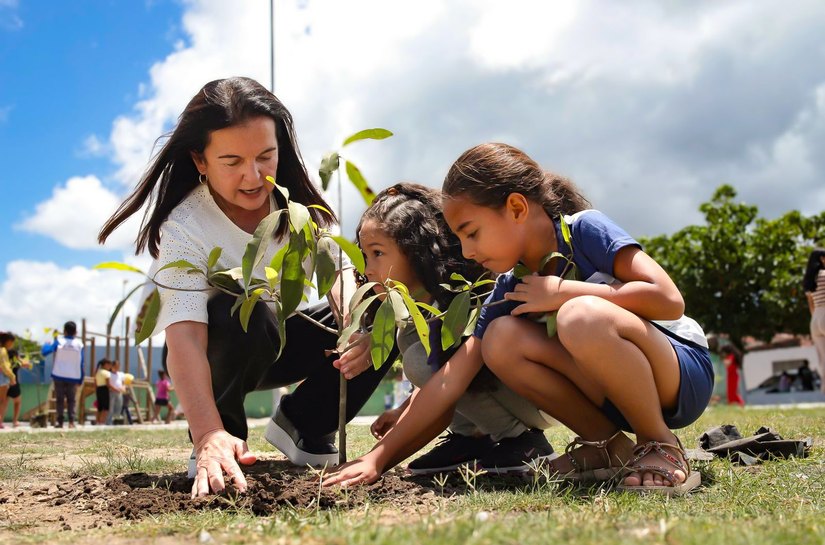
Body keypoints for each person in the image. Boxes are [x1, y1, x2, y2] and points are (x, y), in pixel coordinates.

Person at [325, 143, 713, 496]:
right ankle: (606, 447)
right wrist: (377, 458)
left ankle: (658, 442)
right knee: (500, 339)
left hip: (677, 370)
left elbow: (668, 300)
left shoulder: (584, 230)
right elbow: (449, 381)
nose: (466, 251)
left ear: (516, 208)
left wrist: (565, 293)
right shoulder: (509, 287)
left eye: (471, 232)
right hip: (613, 394)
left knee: (580, 316)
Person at [98, 77, 389, 497]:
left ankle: (306, 425)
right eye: (232, 161)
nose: (253, 177)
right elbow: (185, 340)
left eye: (265, 157)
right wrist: (206, 433)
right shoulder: (184, 227)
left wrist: (357, 325)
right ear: (201, 161)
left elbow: (337, 273)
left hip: (278, 339)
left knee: (382, 309)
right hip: (217, 348)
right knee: (243, 307)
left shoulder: (295, 208)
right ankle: (224, 439)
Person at [337, 183, 554, 475]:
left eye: (378, 253)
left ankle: (520, 440)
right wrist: (402, 411)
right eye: (364, 255)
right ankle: (471, 438)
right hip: (506, 392)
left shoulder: (463, 302)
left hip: (537, 397)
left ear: (414, 251)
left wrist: (377, 459)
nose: (368, 268)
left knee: (419, 359)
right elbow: (443, 378)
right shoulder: (415, 316)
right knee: (414, 346)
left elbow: (448, 379)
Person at [41, 321, 84, 429]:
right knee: (71, 400)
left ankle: (59, 422)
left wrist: (46, 344)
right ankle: (71, 422)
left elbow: (46, 352)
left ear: (64, 331)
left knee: (59, 399)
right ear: (76, 332)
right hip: (74, 376)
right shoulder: (79, 344)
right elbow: (81, 362)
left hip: (59, 374)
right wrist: (81, 378)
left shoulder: (59, 341)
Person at [803, 248, 825, 393]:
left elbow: (811, 305)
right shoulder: (824, 275)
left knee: (823, 359)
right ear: (822, 259)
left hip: (815, 319)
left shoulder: (809, 281)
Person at [5, 349, 32, 427]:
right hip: (13, 383)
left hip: (4, 383)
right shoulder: (16, 362)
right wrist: (21, 359)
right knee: (17, 402)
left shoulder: (5, 362)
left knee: (4, 403)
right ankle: (15, 421)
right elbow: (27, 364)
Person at [0, 332, 16, 429]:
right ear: (8, 341)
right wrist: (12, 377)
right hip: (2, 376)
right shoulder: (3, 351)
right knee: (2, 401)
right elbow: (5, 366)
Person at [105, 360, 127, 425]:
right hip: (111, 392)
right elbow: (108, 384)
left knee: (119, 406)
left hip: (119, 392)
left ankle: (115, 420)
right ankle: (108, 422)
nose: (117, 368)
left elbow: (123, 383)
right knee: (110, 407)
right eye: (115, 366)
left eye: (118, 366)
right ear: (112, 366)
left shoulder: (121, 374)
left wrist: (123, 388)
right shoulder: (109, 374)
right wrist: (115, 389)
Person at [94, 358, 114, 425]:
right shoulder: (107, 373)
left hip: (98, 389)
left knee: (99, 407)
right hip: (105, 390)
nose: (110, 367)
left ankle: (97, 421)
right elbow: (108, 384)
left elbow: (95, 382)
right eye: (109, 365)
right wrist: (115, 389)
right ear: (105, 364)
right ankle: (102, 422)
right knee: (105, 408)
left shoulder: (97, 372)